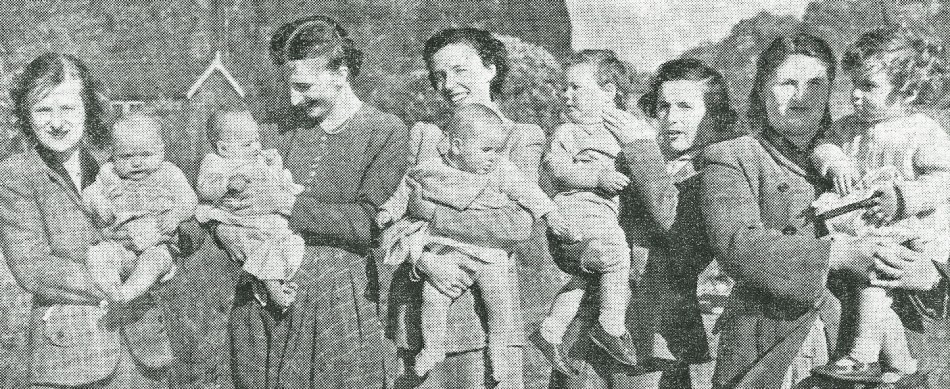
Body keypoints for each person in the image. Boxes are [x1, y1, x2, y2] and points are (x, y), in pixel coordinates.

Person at [700, 33, 947, 389]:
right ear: (761, 90)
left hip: (869, 337)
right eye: (787, 83)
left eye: (815, 84)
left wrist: (930, 275)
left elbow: (936, 194)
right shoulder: (734, 157)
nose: (801, 96)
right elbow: (739, 247)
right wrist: (842, 254)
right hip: (776, 343)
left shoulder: (876, 142)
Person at [222, 15, 409, 389]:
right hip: (263, 293)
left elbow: (366, 225)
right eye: (290, 87)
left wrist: (288, 204)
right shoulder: (279, 131)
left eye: (304, 86)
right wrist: (258, 270)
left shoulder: (385, 132)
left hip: (337, 298)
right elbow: (227, 210)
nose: (294, 99)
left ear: (340, 73)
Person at [549, 58, 740, 388]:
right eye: (664, 106)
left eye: (685, 106)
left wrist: (641, 150)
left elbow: (682, 238)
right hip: (591, 320)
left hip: (654, 331)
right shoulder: (629, 157)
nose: (671, 117)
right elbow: (578, 221)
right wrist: (577, 250)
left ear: (712, 115)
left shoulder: (718, 172)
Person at [386, 27, 547, 389]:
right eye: (439, 75)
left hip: (485, 331)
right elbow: (390, 218)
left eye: (460, 70)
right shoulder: (425, 137)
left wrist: (428, 213)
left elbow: (515, 228)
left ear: (491, 69)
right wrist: (425, 260)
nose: (448, 84)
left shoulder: (522, 137)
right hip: (421, 325)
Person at [0, 53, 172, 388]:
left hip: (143, 346)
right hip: (73, 352)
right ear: (26, 116)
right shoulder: (15, 175)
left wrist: (172, 238)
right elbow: (35, 269)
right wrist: (132, 276)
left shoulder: (122, 157)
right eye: (43, 110)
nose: (58, 122)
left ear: (87, 109)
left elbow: (182, 212)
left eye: (68, 108)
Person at [378, 104, 566, 381]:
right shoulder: (432, 167)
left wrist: (549, 213)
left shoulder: (502, 167)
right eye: (486, 150)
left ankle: (499, 351)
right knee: (433, 297)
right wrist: (388, 212)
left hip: (488, 254)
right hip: (445, 251)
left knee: (498, 301)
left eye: (496, 150)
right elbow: (404, 191)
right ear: (457, 146)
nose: (493, 157)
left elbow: (527, 193)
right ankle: (433, 347)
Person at [809, 28, 950, 383]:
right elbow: (820, 146)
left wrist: (903, 198)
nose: (855, 95)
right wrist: (834, 160)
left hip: (911, 230)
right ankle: (900, 360)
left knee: (874, 282)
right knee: (866, 284)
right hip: (866, 228)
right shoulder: (847, 128)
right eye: (853, 84)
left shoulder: (922, 131)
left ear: (907, 91)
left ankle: (862, 354)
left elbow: (944, 178)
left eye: (868, 87)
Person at [534, 49, 638, 374]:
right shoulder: (568, 132)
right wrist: (597, 176)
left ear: (608, 91)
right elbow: (555, 168)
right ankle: (611, 327)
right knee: (617, 256)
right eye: (565, 88)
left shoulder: (624, 131)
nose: (566, 96)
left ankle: (552, 327)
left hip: (599, 220)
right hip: (578, 212)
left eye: (576, 87)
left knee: (587, 276)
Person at [83, 114, 197, 305]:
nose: (137, 162)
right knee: (97, 254)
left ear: (161, 151)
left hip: (158, 245)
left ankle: (128, 292)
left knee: (153, 262)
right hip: (118, 245)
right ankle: (111, 291)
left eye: (146, 155)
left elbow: (189, 198)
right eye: (126, 156)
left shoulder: (168, 173)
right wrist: (98, 203)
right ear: (113, 154)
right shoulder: (109, 174)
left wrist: (176, 215)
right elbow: (88, 196)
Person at [196, 110, 304, 310]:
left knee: (286, 239)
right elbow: (204, 188)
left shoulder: (257, 160)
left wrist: (273, 164)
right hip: (238, 218)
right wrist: (226, 184)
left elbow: (274, 180)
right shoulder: (215, 162)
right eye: (248, 144)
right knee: (258, 246)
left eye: (257, 140)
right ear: (223, 148)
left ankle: (276, 281)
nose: (256, 147)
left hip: (265, 216)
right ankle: (272, 287)